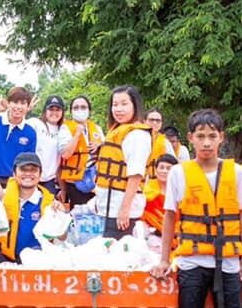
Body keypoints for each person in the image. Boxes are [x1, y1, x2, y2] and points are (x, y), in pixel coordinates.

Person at [150, 109, 242, 308]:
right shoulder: (179, 172)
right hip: (191, 263)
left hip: (228, 264)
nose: (206, 142)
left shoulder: (236, 172)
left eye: (212, 136)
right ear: (190, 138)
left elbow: (240, 218)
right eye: (200, 136)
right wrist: (164, 260)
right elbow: (170, 217)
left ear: (221, 137)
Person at [0, 152, 66, 263]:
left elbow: (62, 237)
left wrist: (61, 217)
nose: (28, 174)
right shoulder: (1, 196)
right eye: (23, 169)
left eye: (33, 170)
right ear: (14, 173)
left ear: (40, 174)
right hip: (3, 257)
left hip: (35, 261)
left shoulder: (50, 203)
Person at [94, 85, 153, 239]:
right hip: (109, 209)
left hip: (123, 213)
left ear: (135, 106)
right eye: (115, 105)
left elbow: (135, 175)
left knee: (119, 259)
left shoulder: (137, 135)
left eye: (124, 104)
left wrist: (124, 210)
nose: (118, 109)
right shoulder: (116, 131)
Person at [0, 86, 37, 186]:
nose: (18, 107)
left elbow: (28, 163)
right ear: (8, 103)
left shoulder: (30, 132)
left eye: (23, 103)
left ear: (28, 107)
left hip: (13, 182)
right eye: (15, 102)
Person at [59, 95, 104, 206]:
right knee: (79, 216)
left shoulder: (96, 128)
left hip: (95, 179)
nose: (80, 110)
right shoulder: (66, 128)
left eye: (83, 107)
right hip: (75, 181)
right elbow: (65, 154)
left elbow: (108, 151)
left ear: (89, 110)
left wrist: (99, 145)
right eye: (76, 107)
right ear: (71, 111)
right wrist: (77, 135)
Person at [23, 95, 72, 195]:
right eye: (51, 109)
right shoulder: (35, 123)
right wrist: (26, 111)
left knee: (47, 209)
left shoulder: (63, 131)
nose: (54, 113)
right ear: (45, 111)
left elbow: (58, 162)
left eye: (57, 110)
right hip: (30, 177)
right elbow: (18, 126)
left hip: (49, 181)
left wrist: (63, 189)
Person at [141, 153, 178, 234]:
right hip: (150, 229)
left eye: (168, 168)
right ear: (156, 170)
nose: (164, 171)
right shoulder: (147, 188)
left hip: (174, 231)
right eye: (161, 168)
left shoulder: (179, 190)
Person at [144, 108, 170, 180]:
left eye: (157, 121)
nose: (154, 123)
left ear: (161, 123)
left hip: (159, 181)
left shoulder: (165, 143)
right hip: (139, 180)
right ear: (144, 121)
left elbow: (172, 163)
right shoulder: (138, 139)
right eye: (151, 120)